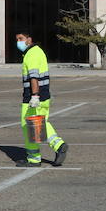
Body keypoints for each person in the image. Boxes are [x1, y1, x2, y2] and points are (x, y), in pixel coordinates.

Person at [16, 32, 68, 167]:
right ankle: (58, 145)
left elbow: (34, 77)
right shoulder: (38, 52)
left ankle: (34, 159)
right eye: (17, 39)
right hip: (44, 95)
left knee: (28, 126)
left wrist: (34, 96)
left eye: (21, 39)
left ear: (29, 39)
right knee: (41, 123)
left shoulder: (31, 54)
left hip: (33, 96)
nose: (18, 42)